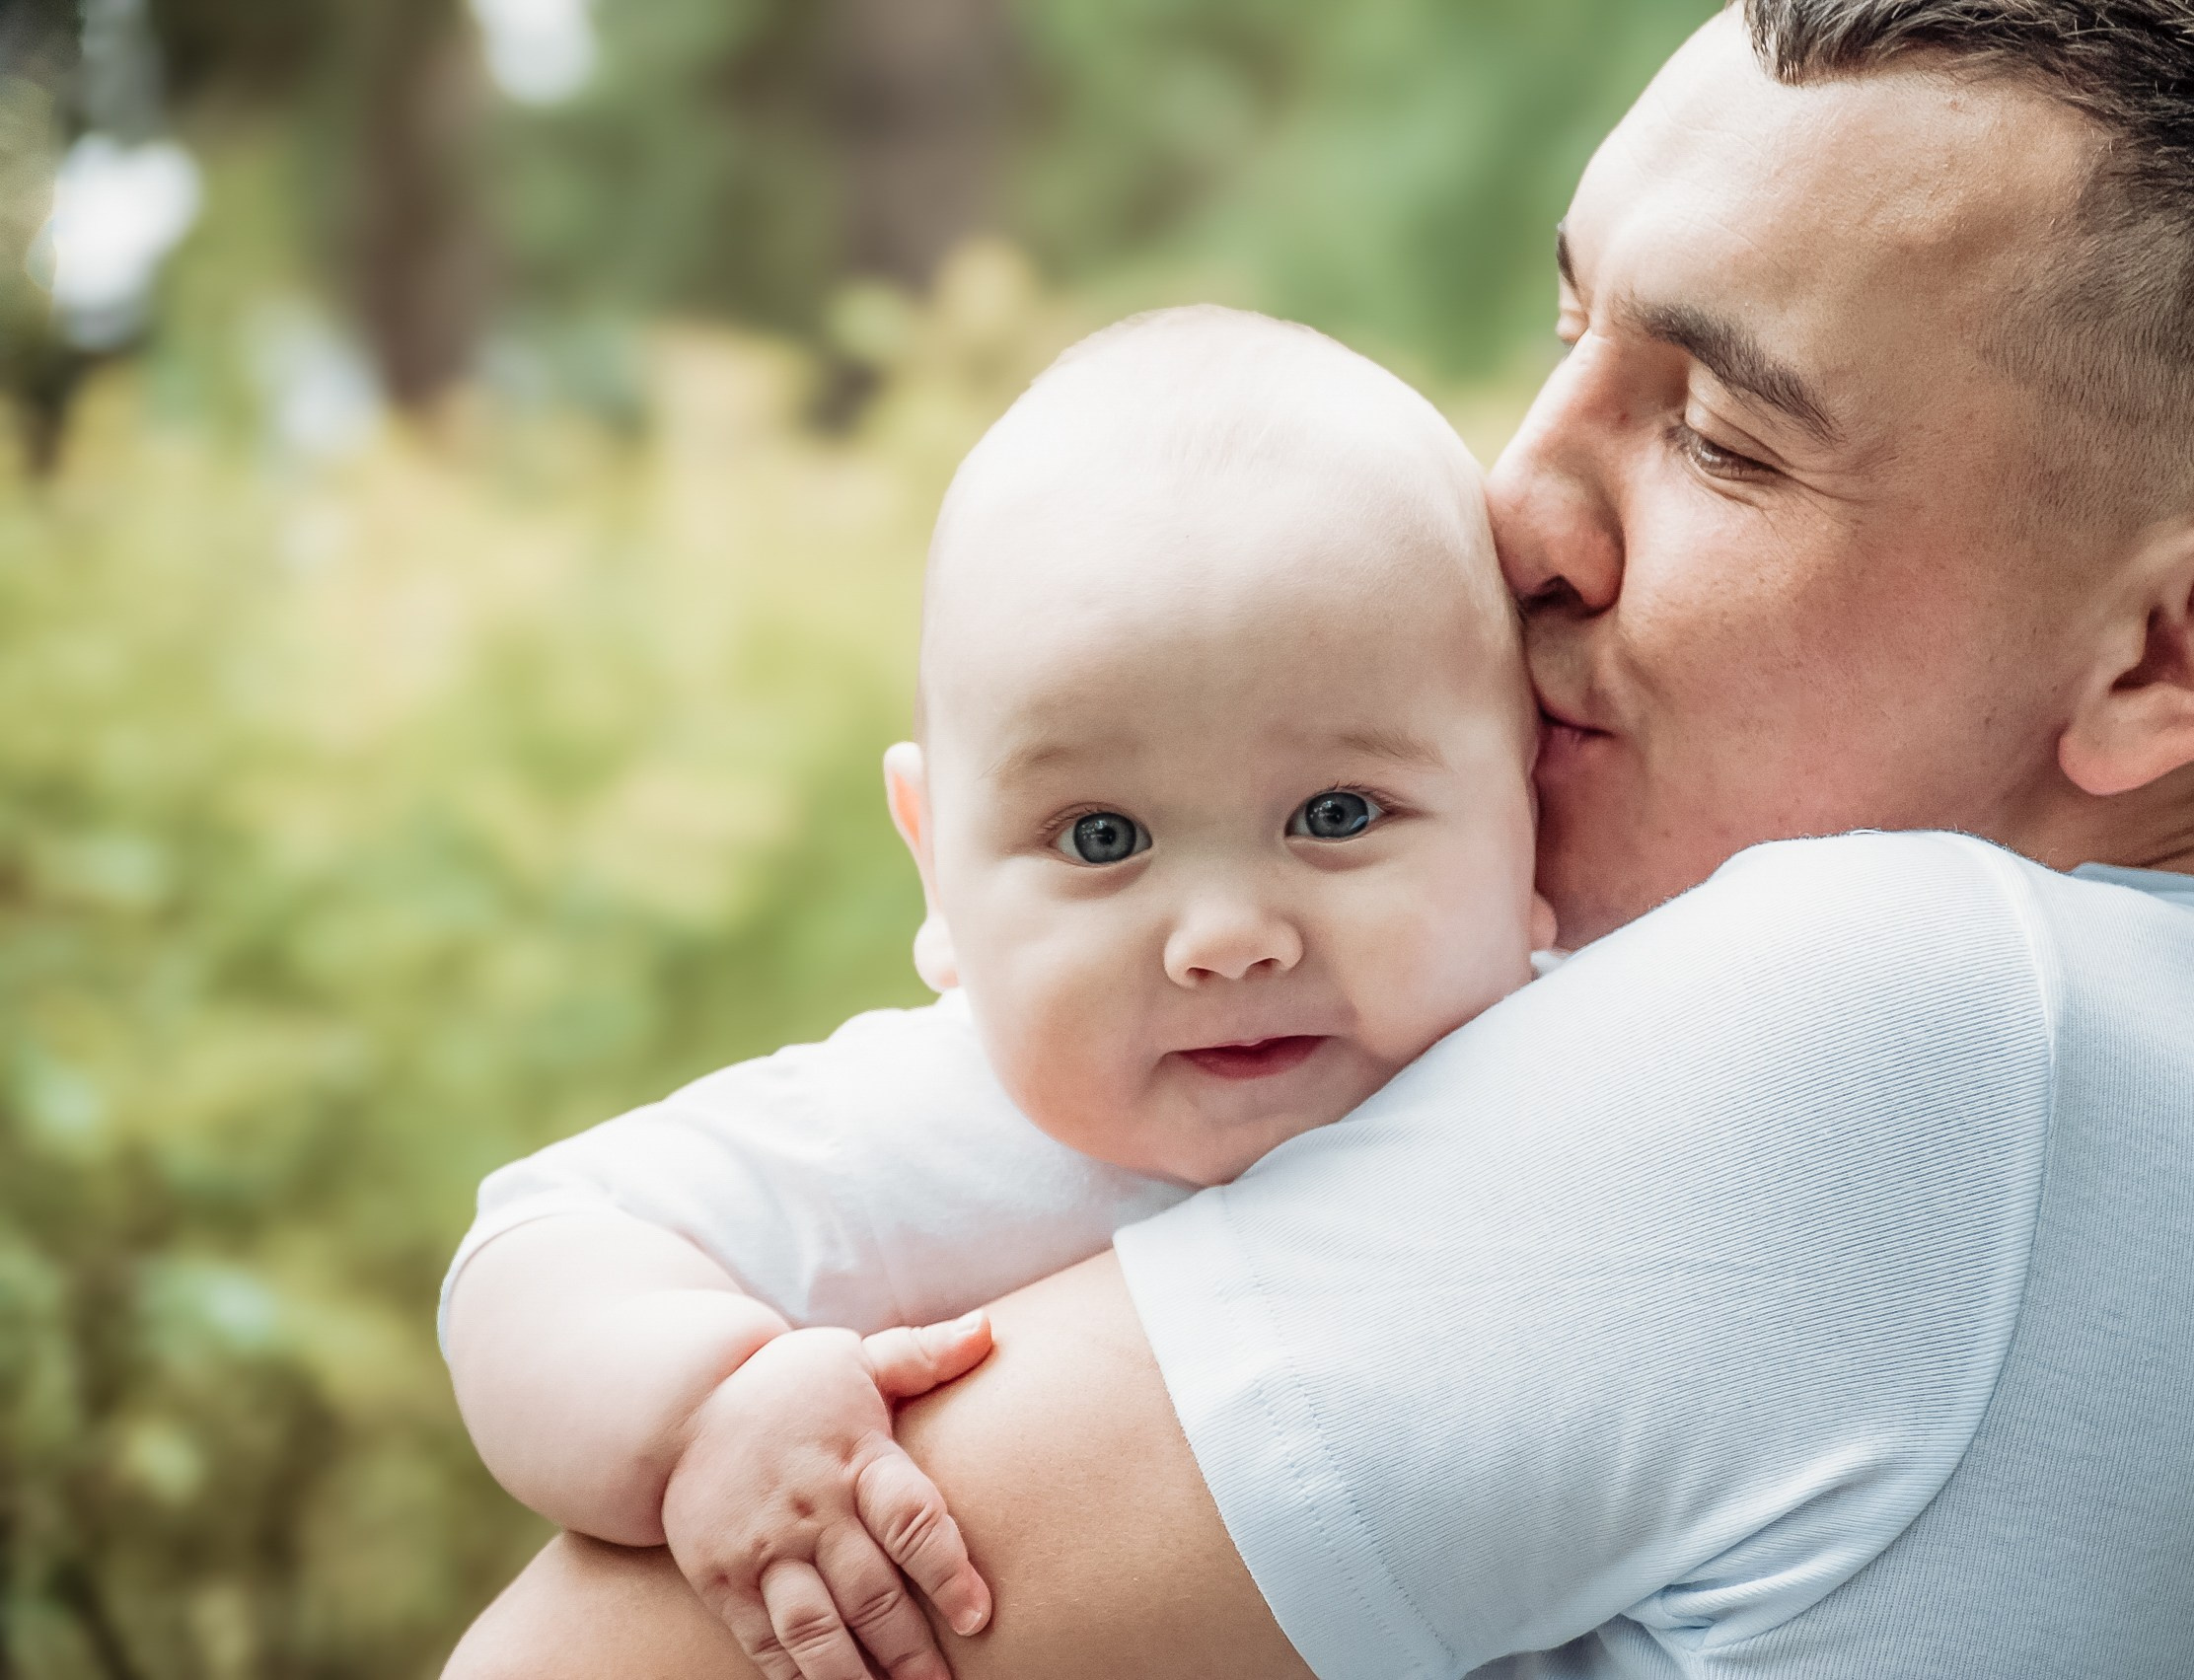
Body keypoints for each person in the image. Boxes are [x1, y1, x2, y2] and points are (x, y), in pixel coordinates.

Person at [445, 0, 2194, 1675]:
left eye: (1719, 436)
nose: (1512, 507)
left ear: (2175, 641)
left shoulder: (1922, 1030)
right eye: (1560, 334)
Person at [437, 307, 1558, 1680]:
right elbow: (540, 1246)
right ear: (937, 867)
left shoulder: (1603, 1073)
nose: (1222, 937)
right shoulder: (926, 1132)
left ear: (1532, 805)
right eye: (1102, 838)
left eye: (1334, 812)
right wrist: (705, 1404)